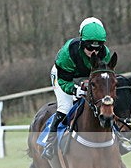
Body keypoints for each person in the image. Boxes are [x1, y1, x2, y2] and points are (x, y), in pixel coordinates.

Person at [43, 17, 123, 159]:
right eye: (89, 47)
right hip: (64, 77)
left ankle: (119, 137)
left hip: (90, 78)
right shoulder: (67, 54)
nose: (94, 52)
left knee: (105, 105)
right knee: (65, 107)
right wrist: (75, 90)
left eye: (97, 48)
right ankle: (50, 143)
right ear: (82, 42)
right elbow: (63, 80)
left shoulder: (105, 54)